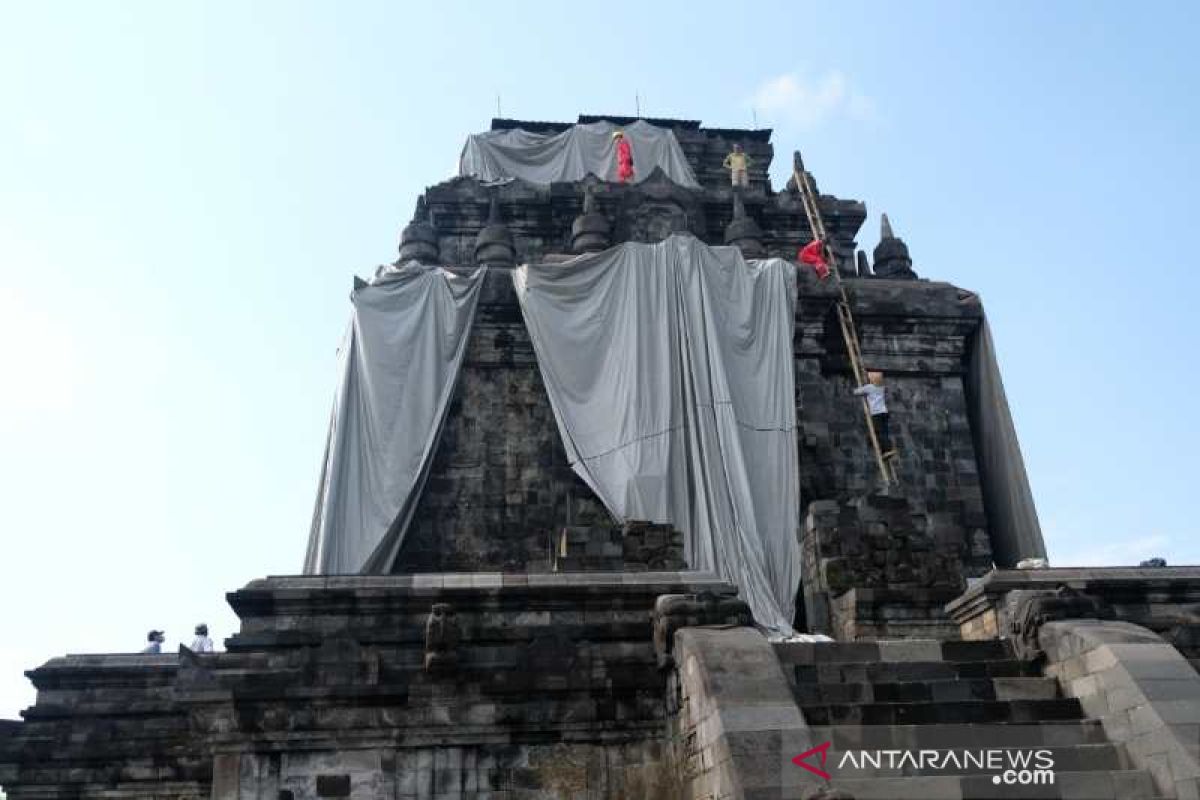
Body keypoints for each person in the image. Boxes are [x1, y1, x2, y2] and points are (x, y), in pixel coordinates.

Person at [853, 371, 897, 459]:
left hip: (876, 413)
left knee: (878, 432)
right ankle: (884, 450)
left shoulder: (869, 387)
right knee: (884, 431)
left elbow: (856, 392)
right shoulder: (881, 387)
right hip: (884, 412)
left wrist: (858, 388)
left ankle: (887, 448)